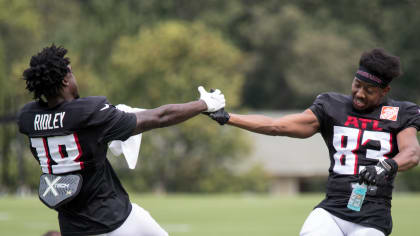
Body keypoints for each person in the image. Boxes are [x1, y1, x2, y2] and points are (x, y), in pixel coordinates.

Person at [207, 48, 420, 236]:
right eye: (357, 85)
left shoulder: (399, 112)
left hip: (373, 216)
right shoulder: (332, 106)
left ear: (385, 91)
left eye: (369, 90)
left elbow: (411, 153)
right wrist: (228, 118)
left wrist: (385, 166)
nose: (360, 94)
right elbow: (276, 125)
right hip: (333, 210)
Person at [17, 44, 225, 236]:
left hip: (72, 227)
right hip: (114, 220)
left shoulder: (27, 118)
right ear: (65, 79)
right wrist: (204, 104)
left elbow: (67, 125)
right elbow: (158, 117)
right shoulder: (89, 112)